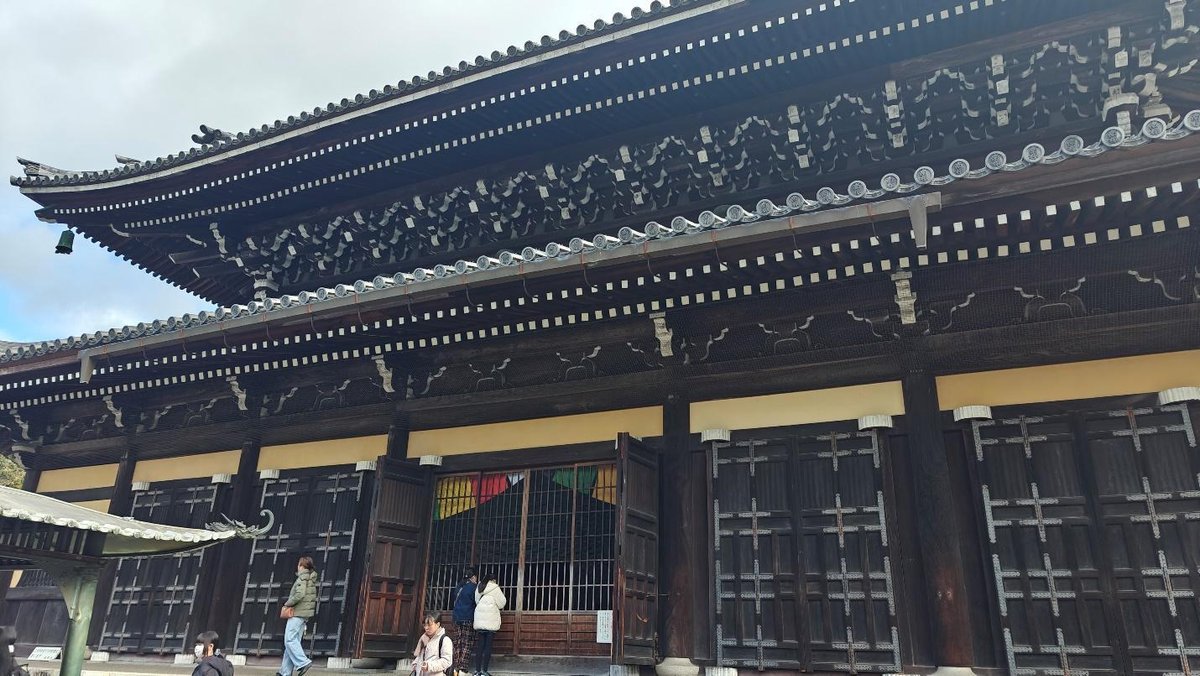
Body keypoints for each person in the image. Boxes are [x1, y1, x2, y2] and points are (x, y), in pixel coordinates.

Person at [277, 555, 319, 676]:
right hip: (304, 614)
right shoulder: (310, 578)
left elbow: (300, 595)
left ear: (301, 566)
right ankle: (284, 672)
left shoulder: (302, 578)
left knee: (289, 640)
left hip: (298, 612)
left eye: (299, 565)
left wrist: (287, 603)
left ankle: (303, 662)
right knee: (292, 642)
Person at [472, 573, 506, 676]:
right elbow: (502, 603)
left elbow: (476, 601)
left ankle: (477, 671)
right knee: (488, 647)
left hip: (480, 620)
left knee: (480, 646)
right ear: (494, 580)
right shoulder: (495, 588)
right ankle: (484, 671)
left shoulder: (480, 586)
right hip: (491, 621)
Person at [450, 568, 478, 676]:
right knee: (467, 642)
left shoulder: (459, 586)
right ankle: (463, 668)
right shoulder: (473, 588)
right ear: (473, 577)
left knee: (457, 642)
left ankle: (456, 667)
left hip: (456, 617)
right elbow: (476, 602)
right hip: (468, 617)